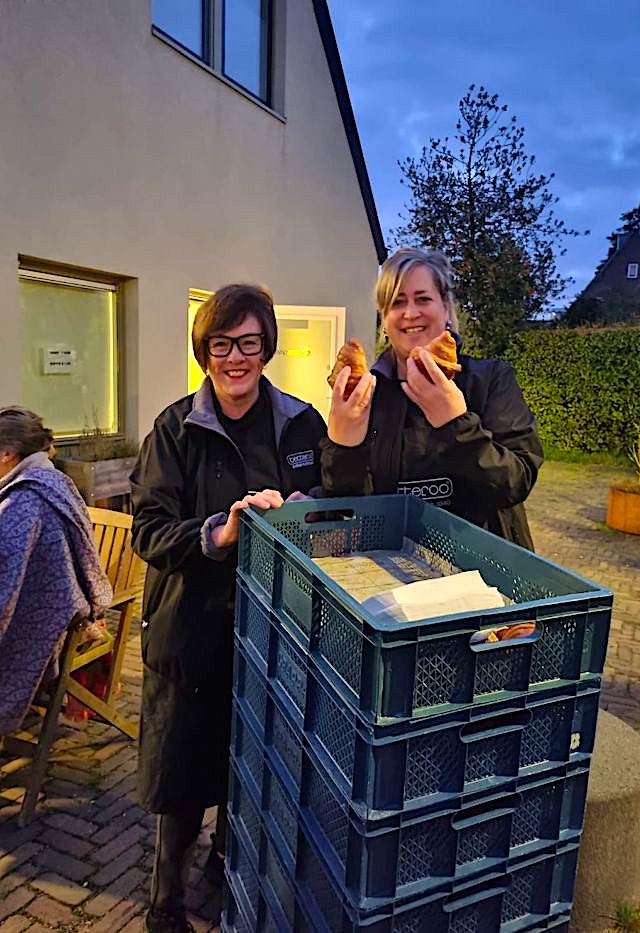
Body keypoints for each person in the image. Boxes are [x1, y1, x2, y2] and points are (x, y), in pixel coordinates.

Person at [130, 283, 326, 933]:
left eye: (248, 342)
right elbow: (148, 532)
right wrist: (221, 530)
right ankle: (164, 905)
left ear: (266, 347)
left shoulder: (301, 424)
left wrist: (304, 512)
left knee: (252, 766)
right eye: (221, 344)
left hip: (275, 629)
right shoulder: (174, 428)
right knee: (182, 775)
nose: (235, 358)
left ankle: (223, 869)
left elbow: (333, 503)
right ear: (204, 351)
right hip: (189, 626)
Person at [321, 247, 543, 548]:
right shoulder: (368, 393)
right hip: (392, 563)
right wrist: (343, 446)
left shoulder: (490, 379)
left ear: (446, 307)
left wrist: (455, 423)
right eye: (397, 302)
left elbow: (515, 483)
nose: (411, 313)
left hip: (483, 563)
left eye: (423, 299)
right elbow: (344, 509)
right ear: (385, 318)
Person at [0, 407, 112, 735]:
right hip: (66, 615)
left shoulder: (23, 502)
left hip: (49, 628)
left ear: (7, 454)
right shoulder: (52, 479)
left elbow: (5, 588)